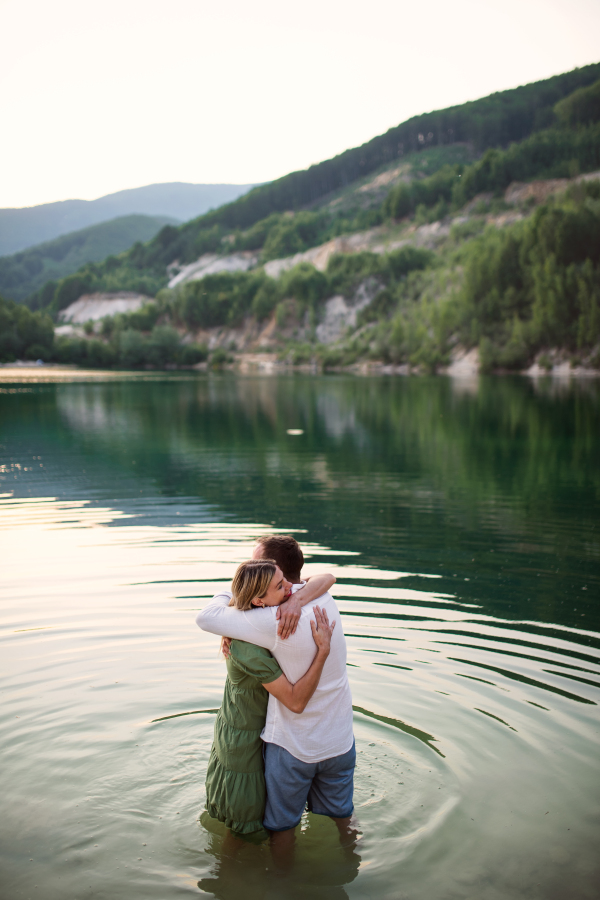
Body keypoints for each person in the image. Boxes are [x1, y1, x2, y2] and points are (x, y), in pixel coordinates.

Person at [196, 535, 357, 868]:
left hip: (294, 748)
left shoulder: (268, 620)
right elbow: (325, 577)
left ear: (277, 573)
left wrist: (233, 606)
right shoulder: (325, 599)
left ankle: (283, 885)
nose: (253, 563)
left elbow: (206, 618)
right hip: (340, 741)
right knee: (344, 819)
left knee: (282, 828)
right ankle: (354, 868)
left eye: (259, 561)